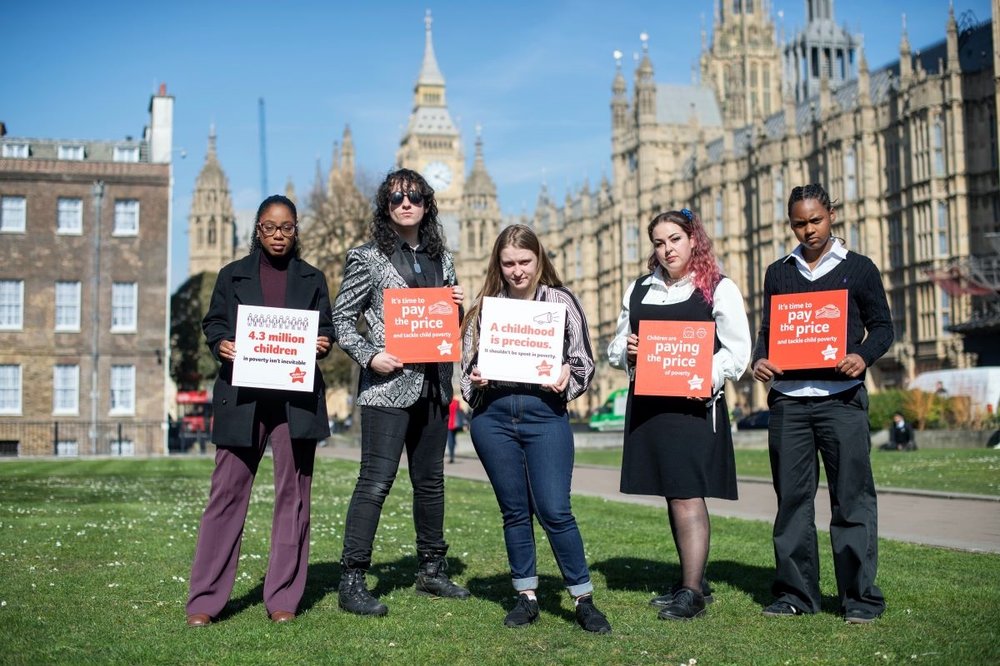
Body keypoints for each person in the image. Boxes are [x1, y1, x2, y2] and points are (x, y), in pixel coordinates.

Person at [186, 195, 335, 627]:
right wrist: (222, 344)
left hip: (295, 403)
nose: (278, 235)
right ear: (257, 229)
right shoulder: (230, 275)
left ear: (296, 231)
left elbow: (324, 328)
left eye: (286, 228)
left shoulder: (312, 278)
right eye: (270, 228)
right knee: (226, 496)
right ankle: (205, 600)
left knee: (293, 500)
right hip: (243, 401)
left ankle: (284, 596)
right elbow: (214, 323)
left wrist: (323, 343)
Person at [751, 183, 893, 624]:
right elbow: (768, 330)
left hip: (841, 401)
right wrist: (760, 359)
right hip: (789, 404)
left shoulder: (860, 269)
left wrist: (862, 356)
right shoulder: (779, 272)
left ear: (832, 214)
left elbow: (883, 328)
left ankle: (859, 598)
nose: (808, 230)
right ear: (789, 223)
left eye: (815, 220)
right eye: (799, 223)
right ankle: (796, 594)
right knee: (792, 501)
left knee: (851, 499)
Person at [460, 224, 612, 634]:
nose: (517, 271)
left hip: (545, 415)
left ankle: (582, 598)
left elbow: (584, 362)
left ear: (539, 259)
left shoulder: (560, 302)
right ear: (498, 264)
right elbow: (464, 369)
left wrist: (567, 377)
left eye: (525, 261)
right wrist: (473, 379)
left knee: (555, 510)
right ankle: (525, 596)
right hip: (493, 417)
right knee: (514, 512)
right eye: (508, 263)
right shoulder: (485, 307)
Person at [332, 168, 469, 617]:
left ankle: (432, 567)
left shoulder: (442, 259)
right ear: (386, 207)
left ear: (426, 204)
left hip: (433, 385)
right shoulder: (366, 258)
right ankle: (352, 578)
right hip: (387, 388)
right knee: (375, 482)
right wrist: (371, 356)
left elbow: (449, 325)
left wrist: (458, 306)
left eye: (413, 197)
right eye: (396, 198)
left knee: (430, 483)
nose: (405, 203)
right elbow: (341, 320)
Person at [607, 208, 751, 621]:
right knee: (673, 491)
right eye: (658, 242)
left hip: (693, 407)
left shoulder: (718, 289)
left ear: (693, 240)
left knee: (688, 493)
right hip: (652, 406)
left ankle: (692, 592)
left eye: (674, 239)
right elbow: (617, 348)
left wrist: (700, 373)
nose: (667, 249)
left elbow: (737, 353)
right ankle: (693, 577)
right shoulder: (639, 290)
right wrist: (628, 351)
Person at [446, 396, 465, 463]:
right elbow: (461, 411)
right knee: (453, 440)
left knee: (450, 440)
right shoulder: (456, 402)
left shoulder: (448, 402)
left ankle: (451, 456)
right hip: (456, 424)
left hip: (449, 424)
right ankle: (452, 455)